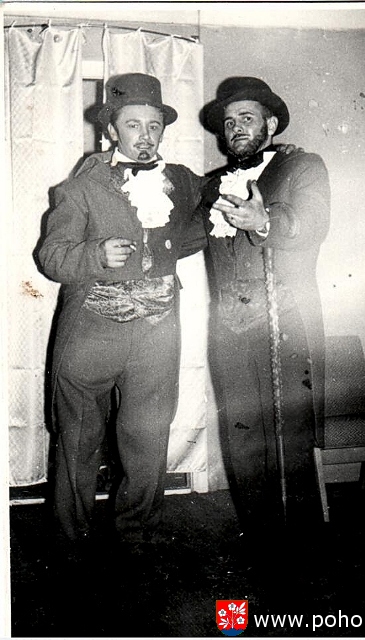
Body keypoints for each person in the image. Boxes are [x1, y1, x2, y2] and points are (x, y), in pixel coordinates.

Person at [37, 73, 206, 559]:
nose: (145, 136)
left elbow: (206, 216)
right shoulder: (79, 188)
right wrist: (94, 255)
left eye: (154, 125)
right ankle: (69, 540)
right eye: (133, 125)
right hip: (91, 332)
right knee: (78, 440)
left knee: (148, 437)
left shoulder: (183, 182)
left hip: (157, 332)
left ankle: (140, 535)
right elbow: (51, 256)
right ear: (111, 130)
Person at [197, 77, 331, 557]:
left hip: (285, 319)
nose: (236, 127)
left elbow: (312, 222)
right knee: (242, 437)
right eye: (229, 121)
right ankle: (260, 543)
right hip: (229, 326)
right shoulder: (211, 185)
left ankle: (303, 551)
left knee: (290, 438)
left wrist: (267, 221)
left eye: (247, 118)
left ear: (271, 124)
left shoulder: (302, 166)